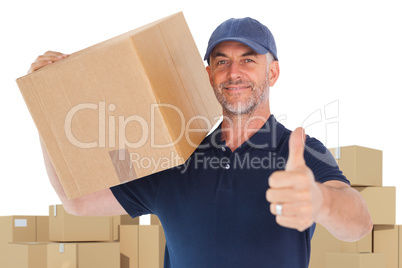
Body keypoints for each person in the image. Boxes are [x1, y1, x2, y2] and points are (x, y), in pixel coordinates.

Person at [28, 17, 372, 268]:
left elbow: (359, 224)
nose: (233, 72)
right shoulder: (176, 157)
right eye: (221, 61)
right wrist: (46, 107)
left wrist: (320, 201)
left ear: (272, 73)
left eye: (248, 59)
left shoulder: (301, 151)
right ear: (209, 75)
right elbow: (78, 202)